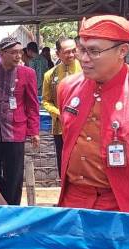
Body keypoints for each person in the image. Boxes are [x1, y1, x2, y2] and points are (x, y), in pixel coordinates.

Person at [57, 15, 129, 212]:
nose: (83, 58)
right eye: (81, 49)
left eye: (94, 51)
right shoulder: (67, 87)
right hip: (73, 201)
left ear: (122, 51)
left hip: (122, 203)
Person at [0, 36, 40, 205]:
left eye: (20, 52)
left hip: (15, 133)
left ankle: (12, 210)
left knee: (14, 176)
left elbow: (32, 105)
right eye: (13, 53)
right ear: (1, 53)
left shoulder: (28, 74)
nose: (18, 56)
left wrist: (34, 131)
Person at [41, 36, 82, 175]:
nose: (71, 55)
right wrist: (59, 114)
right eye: (67, 52)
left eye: (73, 51)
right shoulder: (50, 75)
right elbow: (46, 101)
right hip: (61, 128)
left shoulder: (86, 70)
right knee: (63, 163)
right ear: (58, 53)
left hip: (83, 127)